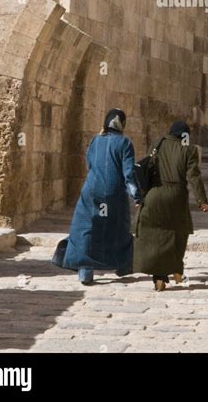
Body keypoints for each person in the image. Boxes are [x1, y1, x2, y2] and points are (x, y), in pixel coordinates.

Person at [55, 108, 142, 285]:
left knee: (86, 228)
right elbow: (128, 173)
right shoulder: (125, 143)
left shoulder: (95, 140)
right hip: (114, 193)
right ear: (122, 124)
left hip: (91, 190)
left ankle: (85, 269)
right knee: (118, 228)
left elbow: (90, 164)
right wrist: (137, 196)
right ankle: (122, 265)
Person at [133, 121, 208, 292]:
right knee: (178, 234)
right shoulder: (189, 150)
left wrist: (140, 196)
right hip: (176, 196)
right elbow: (194, 177)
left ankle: (159, 277)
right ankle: (176, 270)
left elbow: (148, 171)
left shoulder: (156, 145)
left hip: (153, 195)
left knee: (155, 234)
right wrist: (202, 200)